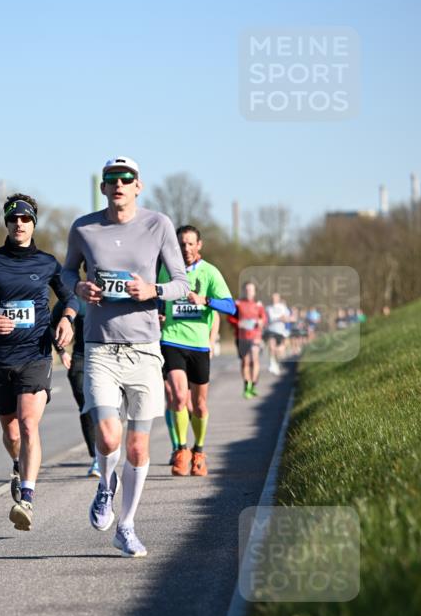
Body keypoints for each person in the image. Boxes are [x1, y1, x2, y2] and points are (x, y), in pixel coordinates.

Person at [62, 156, 188, 557]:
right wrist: (79, 289)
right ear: (102, 188)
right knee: (108, 435)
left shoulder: (158, 225)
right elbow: (65, 274)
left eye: (126, 178)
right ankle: (104, 487)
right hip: (100, 346)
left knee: (137, 447)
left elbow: (182, 283)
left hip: (145, 349)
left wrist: (153, 291)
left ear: (139, 185)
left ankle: (127, 525)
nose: (119, 184)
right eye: (111, 179)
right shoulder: (84, 227)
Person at [0, 193, 77, 530]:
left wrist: (67, 318)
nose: (19, 224)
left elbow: (70, 297)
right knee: (11, 432)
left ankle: (27, 498)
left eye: (25, 219)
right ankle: (16, 463)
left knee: (28, 423)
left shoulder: (47, 263)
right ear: (6, 224)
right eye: (13, 219)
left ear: (33, 222)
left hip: (35, 355)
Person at [158, 225, 236, 476]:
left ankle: (199, 450)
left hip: (199, 344)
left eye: (191, 243)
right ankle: (181, 450)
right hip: (172, 340)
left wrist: (206, 301)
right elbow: (156, 297)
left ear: (199, 245)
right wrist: (157, 313)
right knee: (178, 397)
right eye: (181, 244)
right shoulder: (166, 269)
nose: (186, 248)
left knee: (199, 404)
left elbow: (231, 307)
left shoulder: (210, 272)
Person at [50, 299, 100, 477]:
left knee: (105, 409)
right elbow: (50, 324)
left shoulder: (114, 292)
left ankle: (107, 450)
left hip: (107, 358)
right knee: (86, 407)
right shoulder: (75, 298)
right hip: (80, 358)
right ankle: (96, 458)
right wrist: (61, 351)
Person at [228, 281, 267, 398]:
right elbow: (230, 317)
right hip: (242, 337)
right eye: (247, 289)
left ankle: (253, 384)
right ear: (244, 291)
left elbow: (264, 318)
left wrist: (261, 321)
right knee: (245, 361)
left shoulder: (259, 304)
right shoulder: (238, 304)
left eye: (251, 289)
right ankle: (247, 384)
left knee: (254, 360)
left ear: (254, 291)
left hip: (255, 336)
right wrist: (237, 323)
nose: (249, 291)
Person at [264, 291, 291, 375]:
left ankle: (276, 363)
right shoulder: (268, 308)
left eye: (276, 297)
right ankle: (272, 364)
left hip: (281, 331)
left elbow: (287, 318)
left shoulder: (283, 307)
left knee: (279, 351)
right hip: (271, 330)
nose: (274, 299)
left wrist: (282, 319)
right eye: (272, 297)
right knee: (271, 347)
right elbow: (269, 319)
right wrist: (280, 318)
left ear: (279, 298)